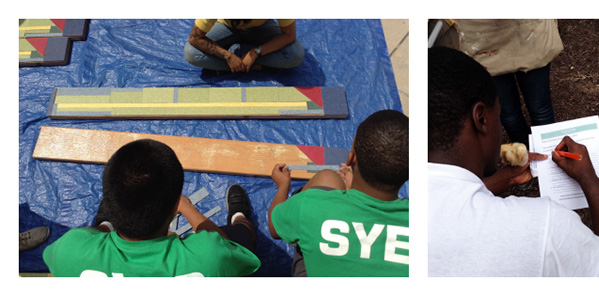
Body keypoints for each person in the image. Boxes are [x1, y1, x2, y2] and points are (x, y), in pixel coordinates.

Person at [427, 46, 599, 277]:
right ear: (481, 118)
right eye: (499, 115)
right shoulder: (544, 227)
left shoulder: (405, 198)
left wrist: (502, 180)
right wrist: (589, 180)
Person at [43, 139, 261, 277]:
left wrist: (104, 228)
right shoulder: (211, 256)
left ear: (110, 201)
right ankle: (238, 216)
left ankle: (107, 223)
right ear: (174, 208)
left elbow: (61, 262)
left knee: (100, 229)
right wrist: (187, 207)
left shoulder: (69, 250)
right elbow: (223, 246)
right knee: (242, 235)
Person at [267, 109, 409, 277]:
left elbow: (274, 229)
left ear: (351, 158)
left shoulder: (310, 205)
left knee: (327, 177)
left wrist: (283, 185)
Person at [457, 19, 562, 147]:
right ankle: (524, 154)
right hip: (481, 34)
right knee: (510, 113)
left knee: (538, 108)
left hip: (527, 29)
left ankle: (546, 153)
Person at [184, 19, 304, 73]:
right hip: (226, 28)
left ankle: (239, 62)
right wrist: (228, 56)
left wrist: (255, 52)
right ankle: (255, 66)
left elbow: (289, 35)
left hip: (261, 28)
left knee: (294, 54)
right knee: (192, 53)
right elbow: (194, 38)